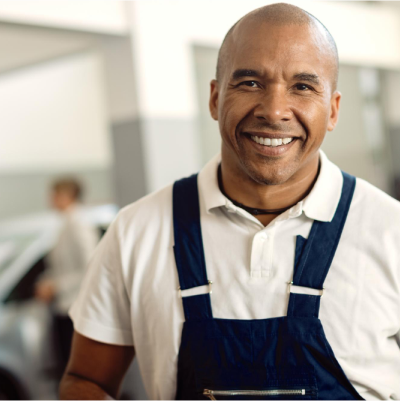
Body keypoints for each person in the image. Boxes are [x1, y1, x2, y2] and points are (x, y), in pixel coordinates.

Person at [60, 3, 400, 401]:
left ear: (333, 110)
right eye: (251, 83)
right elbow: (86, 381)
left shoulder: (390, 230)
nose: (274, 111)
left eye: (303, 86)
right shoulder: (136, 231)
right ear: (215, 97)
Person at [35, 178, 99, 375]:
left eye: (55, 195)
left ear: (68, 195)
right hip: (64, 306)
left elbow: (90, 266)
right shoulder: (66, 224)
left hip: (75, 307)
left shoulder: (79, 223)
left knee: (78, 369)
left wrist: (56, 286)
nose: (51, 200)